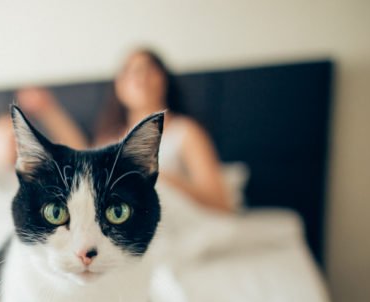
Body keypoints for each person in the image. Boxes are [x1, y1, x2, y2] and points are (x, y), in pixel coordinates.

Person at [16, 49, 232, 212]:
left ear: (164, 79)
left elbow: (222, 204)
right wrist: (48, 110)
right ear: (118, 86)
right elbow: (80, 157)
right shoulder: (111, 137)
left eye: (148, 68)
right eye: (130, 71)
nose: (140, 76)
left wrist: (161, 178)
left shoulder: (185, 131)